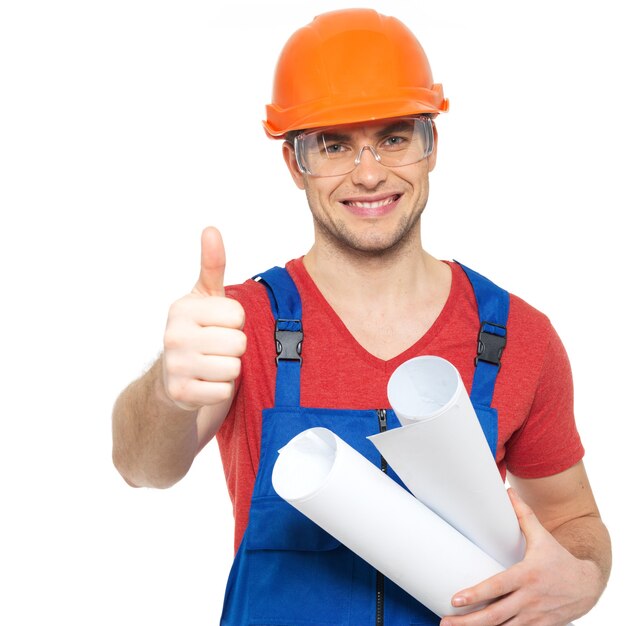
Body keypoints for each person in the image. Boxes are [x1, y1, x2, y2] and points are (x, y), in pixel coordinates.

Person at [112, 8, 611, 625]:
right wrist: (168, 390)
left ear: (431, 145)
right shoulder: (238, 324)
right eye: (334, 144)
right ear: (295, 164)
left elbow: (573, 521)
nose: (369, 172)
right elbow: (141, 467)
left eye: (395, 136)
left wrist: (583, 580)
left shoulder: (517, 339)